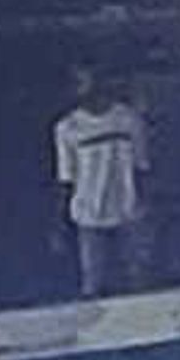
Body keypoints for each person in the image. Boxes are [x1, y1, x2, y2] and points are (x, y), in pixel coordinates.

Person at [53, 68, 152, 295]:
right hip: (88, 213)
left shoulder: (128, 119)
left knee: (136, 278)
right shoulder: (68, 127)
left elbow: (142, 165)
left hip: (128, 210)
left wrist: (145, 205)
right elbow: (66, 178)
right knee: (93, 281)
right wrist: (59, 222)